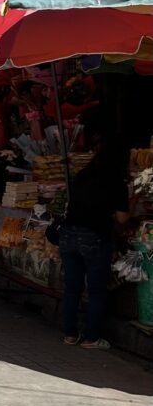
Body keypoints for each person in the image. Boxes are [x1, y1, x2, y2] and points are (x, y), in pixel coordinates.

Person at [60, 135, 130, 350]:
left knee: (72, 287)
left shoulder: (82, 175)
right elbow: (122, 219)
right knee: (97, 289)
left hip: (69, 233)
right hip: (94, 236)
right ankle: (92, 338)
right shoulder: (116, 180)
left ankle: (70, 334)